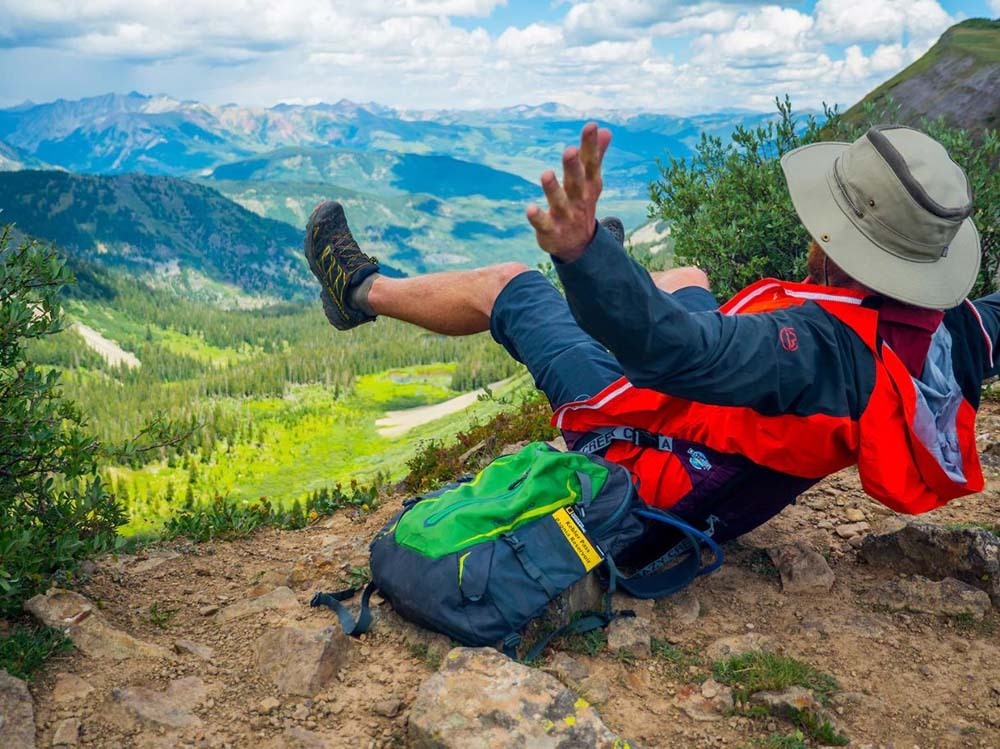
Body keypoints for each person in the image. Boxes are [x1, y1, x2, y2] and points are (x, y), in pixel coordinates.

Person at [303, 122, 996, 541]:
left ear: (840, 245)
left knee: (509, 285)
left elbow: (674, 352)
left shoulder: (810, 355)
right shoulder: (941, 335)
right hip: (725, 458)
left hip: (647, 463)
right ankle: (611, 295)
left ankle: (358, 290)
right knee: (687, 274)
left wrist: (581, 255)